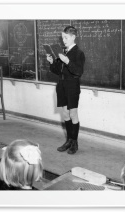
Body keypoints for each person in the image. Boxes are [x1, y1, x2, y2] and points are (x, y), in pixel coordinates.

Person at [46, 26, 85, 154]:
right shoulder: (63, 52)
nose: (63, 40)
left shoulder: (79, 53)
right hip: (62, 86)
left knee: (73, 114)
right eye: (63, 37)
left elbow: (78, 71)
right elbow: (58, 71)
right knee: (65, 114)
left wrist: (67, 61)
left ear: (73, 37)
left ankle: (74, 142)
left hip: (72, 86)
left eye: (66, 37)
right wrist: (52, 62)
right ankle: (68, 140)